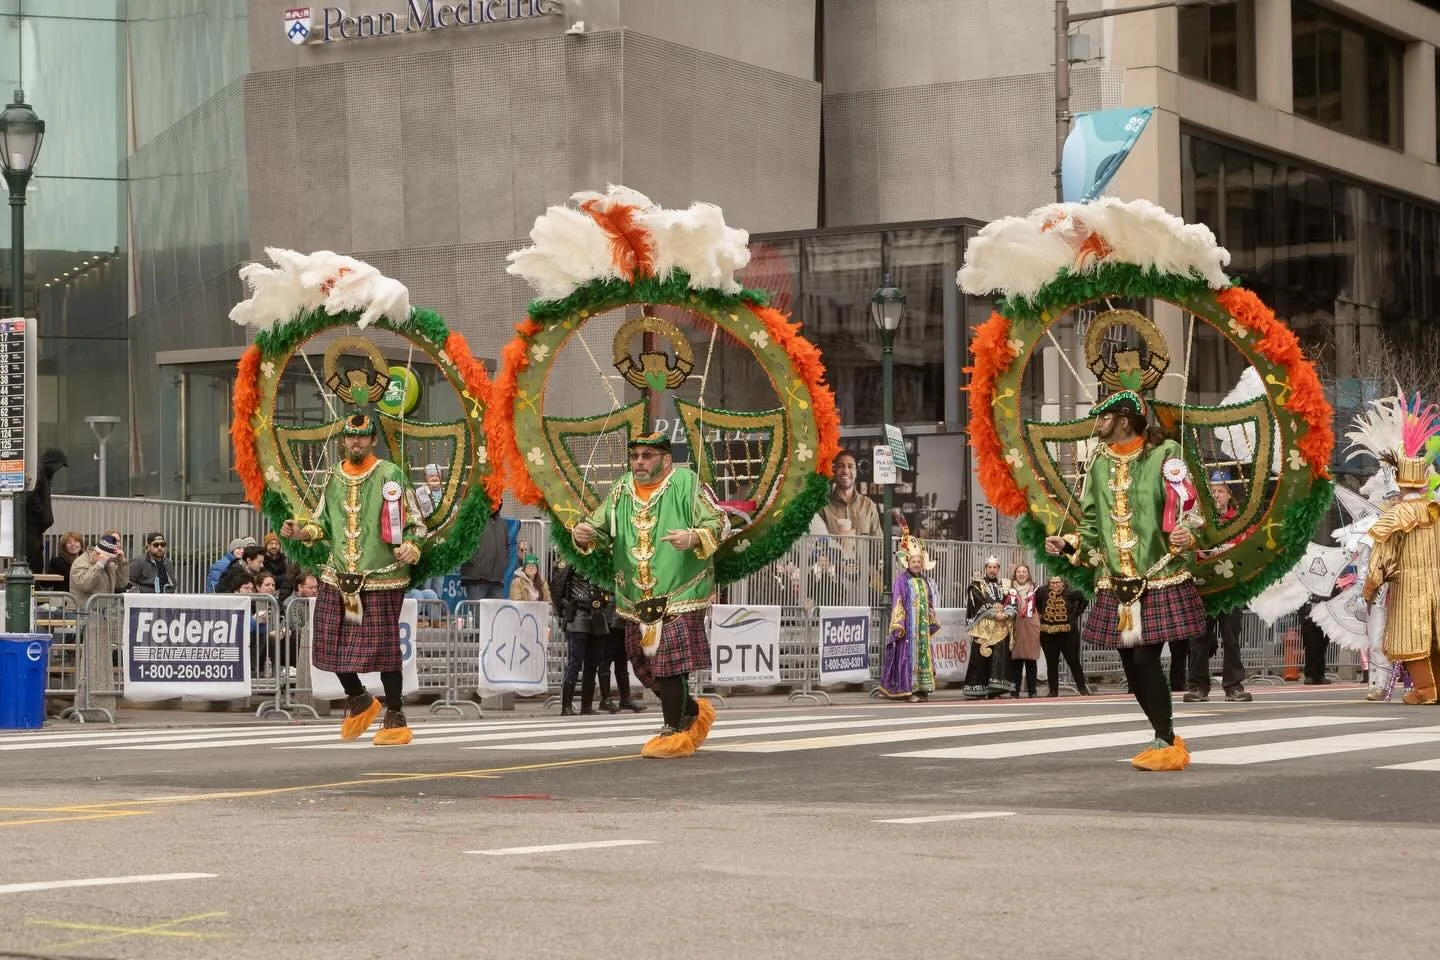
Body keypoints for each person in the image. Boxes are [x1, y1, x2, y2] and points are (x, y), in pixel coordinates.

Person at [1044, 386, 1206, 771]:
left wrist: (1188, 532)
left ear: (1123, 420)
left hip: (1158, 574)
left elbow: (1191, 509)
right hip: (1114, 582)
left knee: (1147, 659)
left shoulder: (1166, 455)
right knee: (1132, 667)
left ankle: (1165, 738)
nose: (1097, 423)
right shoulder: (1098, 463)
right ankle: (1161, 735)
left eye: (1103, 416)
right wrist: (1066, 544)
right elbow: (1090, 525)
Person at [571, 432, 725, 758]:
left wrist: (694, 536)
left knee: (670, 664)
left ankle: (674, 731)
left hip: (681, 591)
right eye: (635, 456)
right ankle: (691, 712)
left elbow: (718, 520)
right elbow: (599, 527)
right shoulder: (622, 488)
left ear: (666, 459)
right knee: (642, 664)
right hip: (634, 598)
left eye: (647, 455)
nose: (639, 462)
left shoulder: (685, 483)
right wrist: (584, 534)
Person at [279, 411, 426, 744]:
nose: (355, 442)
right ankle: (359, 699)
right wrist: (301, 532)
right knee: (333, 644)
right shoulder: (333, 476)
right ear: (343, 440)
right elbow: (321, 524)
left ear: (373, 439)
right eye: (349, 437)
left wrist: (412, 547)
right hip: (341, 579)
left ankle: (395, 715)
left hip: (382, 577)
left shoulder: (391, 475)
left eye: (362, 436)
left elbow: (417, 524)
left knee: (386, 649)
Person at [877, 517, 941, 702]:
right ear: (908, 563)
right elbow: (897, 601)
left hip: (921, 629)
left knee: (923, 658)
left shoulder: (925, 580)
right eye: (913, 562)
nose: (916, 565)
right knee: (907, 659)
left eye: (919, 562)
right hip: (908, 629)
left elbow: (929, 602)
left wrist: (930, 615)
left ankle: (922, 689)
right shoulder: (901, 580)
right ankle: (908, 690)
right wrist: (899, 624)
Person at [550, 559, 609, 716]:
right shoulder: (571, 560)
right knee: (575, 662)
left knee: (593, 662)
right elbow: (556, 587)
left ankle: (587, 706)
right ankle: (566, 707)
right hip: (578, 614)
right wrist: (563, 609)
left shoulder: (603, 559)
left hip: (597, 614)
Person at [962, 557, 1014, 699]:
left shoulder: (1005, 585)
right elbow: (977, 602)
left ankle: (995, 690)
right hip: (984, 627)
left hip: (1001, 626)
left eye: (995, 567)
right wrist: (993, 614)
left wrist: (1008, 613)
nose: (992, 570)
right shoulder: (977, 585)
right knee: (981, 656)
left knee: (999, 657)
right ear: (985, 568)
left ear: (998, 569)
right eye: (989, 567)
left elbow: (1011, 601)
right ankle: (978, 687)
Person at [1036, 574, 1089, 697]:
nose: (1055, 585)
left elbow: (1084, 599)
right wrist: (1042, 613)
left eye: (1057, 583)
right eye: (1052, 583)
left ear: (1063, 583)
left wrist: (1075, 614)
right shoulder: (1042, 592)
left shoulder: (1071, 592)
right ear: (1049, 584)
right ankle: (1053, 691)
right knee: (1051, 662)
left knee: (1073, 660)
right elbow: (1037, 603)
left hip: (1068, 633)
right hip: (1048, 633)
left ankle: (1082, 688)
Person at [817, 450, 882, 537]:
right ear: (834, 471)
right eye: (840, 466)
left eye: (850, 466)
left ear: (856, 473)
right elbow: (816, 544)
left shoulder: (868, 505)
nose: (846, 471)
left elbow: (879, 544)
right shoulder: (823, 507)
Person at [460, 505, 518, 601]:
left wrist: (504, 562)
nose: (496, 504)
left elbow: (507, 545)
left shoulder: (502, 523)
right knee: (477, 614)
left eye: (498, 502)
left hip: (497, 579)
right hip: (476, 578)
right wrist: (475, 561)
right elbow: (464, 543)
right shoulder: (473, 520)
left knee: (495, 615)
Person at [24, 448, 67, 572]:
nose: (58, 469)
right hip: (31, 527)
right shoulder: (39, 471)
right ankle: (32, 591)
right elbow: (30, 494)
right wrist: (41, 512)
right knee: (33, 565)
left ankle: (34, 591)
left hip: (36, 529)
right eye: (59, 465)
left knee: (37, 564)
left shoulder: (44, 475)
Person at [1007, 563, 1041, 698]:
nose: (1021, 574)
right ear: (1015, 574)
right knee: (1015, 661)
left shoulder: (1036, 589)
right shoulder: (1009, 589)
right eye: (1019, 571)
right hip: (1015, 625)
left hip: (1031, 626)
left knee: (1031, 660)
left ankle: (1032, 690)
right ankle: (1014, 690)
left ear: (1028, 574)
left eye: (1024, 571)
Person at [68, 534, 127, 611]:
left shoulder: (109, 565)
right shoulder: (80, 563)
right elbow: (85, 586)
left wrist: (121, 562)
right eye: (109, 557)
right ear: (98, 553)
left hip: (102, 613)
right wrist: (99, 565)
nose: (110, 560)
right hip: (82, 612)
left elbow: (121, 584)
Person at [261, 532, 293, 601]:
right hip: (266, 596)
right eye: (271, 543)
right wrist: (283, 577)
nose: (274, 546)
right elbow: (268, 578)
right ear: (266, 545)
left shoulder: (284, 560)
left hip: (284, 596)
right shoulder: (262, 560)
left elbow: (290, 578)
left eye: (276, 544)